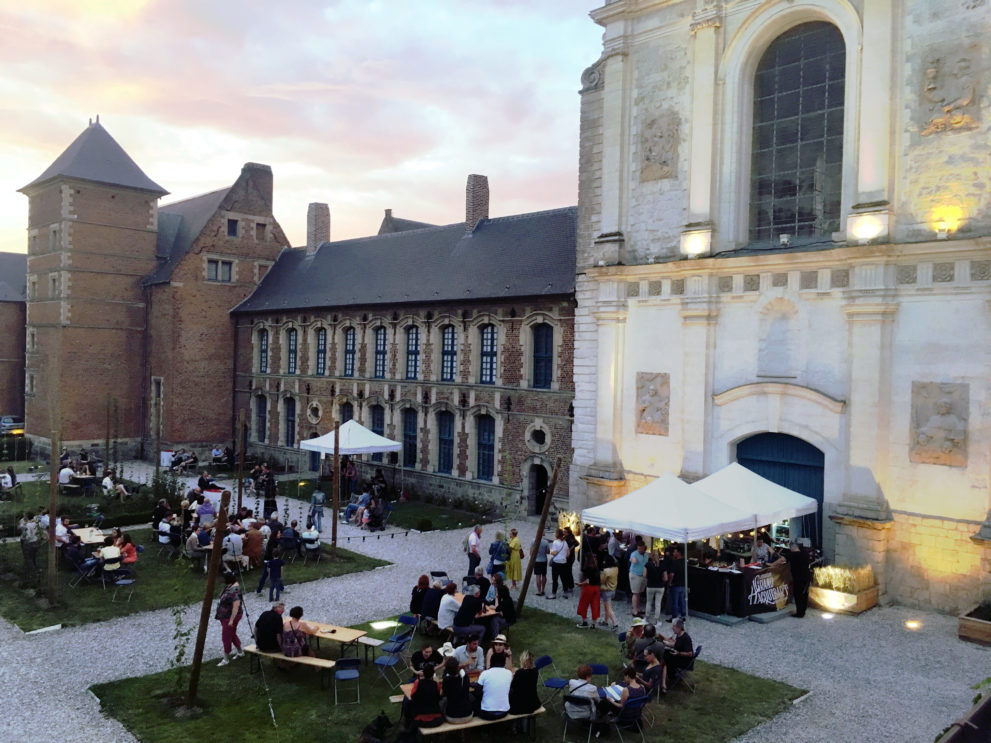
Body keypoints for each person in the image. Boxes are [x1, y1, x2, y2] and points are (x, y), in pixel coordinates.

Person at [776, 540, 812, 618]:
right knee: (805, 594)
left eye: (790, 547)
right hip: (807, 576)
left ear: (793, 547)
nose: (790, 549)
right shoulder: (805, 553)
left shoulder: (793, 555)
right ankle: (803, 611)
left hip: (798, 577)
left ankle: (799, 613)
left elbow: (782, 560)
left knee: (798, 595)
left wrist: (771, 564)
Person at [215, 573, 245, 666]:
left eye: (224, 578)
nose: (222, 580)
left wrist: (231, 620)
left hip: (230, 617)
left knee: (226, 637)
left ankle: (226, 659)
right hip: (225, 617)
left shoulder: (234, 590)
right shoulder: (229, 587)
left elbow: (236, 607)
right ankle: (240, 652)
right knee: (231, 634)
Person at [659, 618, 694, 693]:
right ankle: (669, 676)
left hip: (684, 661)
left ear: (679, 627)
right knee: (664, 653)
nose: (672, 628)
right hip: (679, 657)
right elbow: (677, 645)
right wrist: (668, 643)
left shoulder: (685, 638)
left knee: (664, 658)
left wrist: (679, 653)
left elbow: (690, 653)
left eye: (673, 627)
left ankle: (664, 681)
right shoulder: (679, 635)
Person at [474, 652, 512, 720]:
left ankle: (477, 730)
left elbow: (477, 693)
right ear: (504, 663)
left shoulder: (485, 673)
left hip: (487, 713)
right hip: (504, 712)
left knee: (473, 702)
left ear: (491, 662)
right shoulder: (509, 673)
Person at [407, 662, 444, 729]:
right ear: (433, 674)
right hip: (436, 719)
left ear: (423, 673)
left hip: (420, 719)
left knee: (410, 704)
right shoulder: (436, 685)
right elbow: (440, 695)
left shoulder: (417, 683)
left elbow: (412, 696)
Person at [441, 655, 474, 725]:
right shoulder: (465, 678)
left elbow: (443, 694)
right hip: (468, 715)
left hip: (452, 717)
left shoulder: (446, 680)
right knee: (470, 697)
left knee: (443, 703)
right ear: (457, 667)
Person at [508, 650, 540, 719]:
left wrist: (513, 677)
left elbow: (512, 686)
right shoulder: (535, 671)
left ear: (523, 661)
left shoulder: (519, 673)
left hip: (519, 707)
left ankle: (515, 726)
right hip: (532, 704)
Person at [576, 556, 601, 628]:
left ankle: (584, 622)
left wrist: (580, 584)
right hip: (596, 588)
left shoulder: (587, 569)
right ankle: (593, 624)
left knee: (583, 604)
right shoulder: (597, 569)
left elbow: (587, 581)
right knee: (595, 606)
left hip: (588, 588)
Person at [599, 553, 619, 629]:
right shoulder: (616, 569)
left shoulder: (606, 571)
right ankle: (605, 621)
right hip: (613, 590)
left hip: (606, 590)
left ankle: (615, 623)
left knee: (608, 608)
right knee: (606, 607)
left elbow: (601, 581)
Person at [548, 528, 569, 600]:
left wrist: (551, 552)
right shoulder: (565, 542)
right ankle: (565, 592)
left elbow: (554, 553)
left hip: (556, 562)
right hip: (564, 562)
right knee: (564, 578)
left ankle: (553, 594)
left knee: (555, 579)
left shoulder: (555, 542)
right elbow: (568, 554)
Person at [667, 545, 687, 621]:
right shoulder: (685, 561)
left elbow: (672, 574)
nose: (673, 552)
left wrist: (669, 583)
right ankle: (683, 616)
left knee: (675, 602)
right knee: (682, 600)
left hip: (675, 584)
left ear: (678, 553)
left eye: (675, 551)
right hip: (683, 584)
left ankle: (674, 617)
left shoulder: (675, 563)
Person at [645, 549, 666, 623]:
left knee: (649, 602)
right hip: (660, 587)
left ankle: (646, 618)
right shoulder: (663, 566)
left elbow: (644, 575)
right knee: (658, 604)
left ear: (651, 556)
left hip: (650, 585)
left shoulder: (648, 564)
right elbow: (665, 578)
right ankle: (656, 620)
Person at [628, 541, 648, 618]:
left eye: (641, 548)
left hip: (642, 576)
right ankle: (634, 611)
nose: (639, 550)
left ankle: (637, 608)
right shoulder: (634, 554)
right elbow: (632, 559)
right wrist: (633, 560)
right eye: (638, 548)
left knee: (639, 593)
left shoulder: (646, 554)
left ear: (644, 547)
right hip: (635, 575)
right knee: (635, 593)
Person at [532, 531, 550, 596]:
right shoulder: (546, 542)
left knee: (538, 576)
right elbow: (548, 552)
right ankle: (543, 590)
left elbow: (531, 552)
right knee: (544, 575)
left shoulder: (533, 541)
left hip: (537, 560)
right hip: (544, 560)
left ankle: (539, 591)